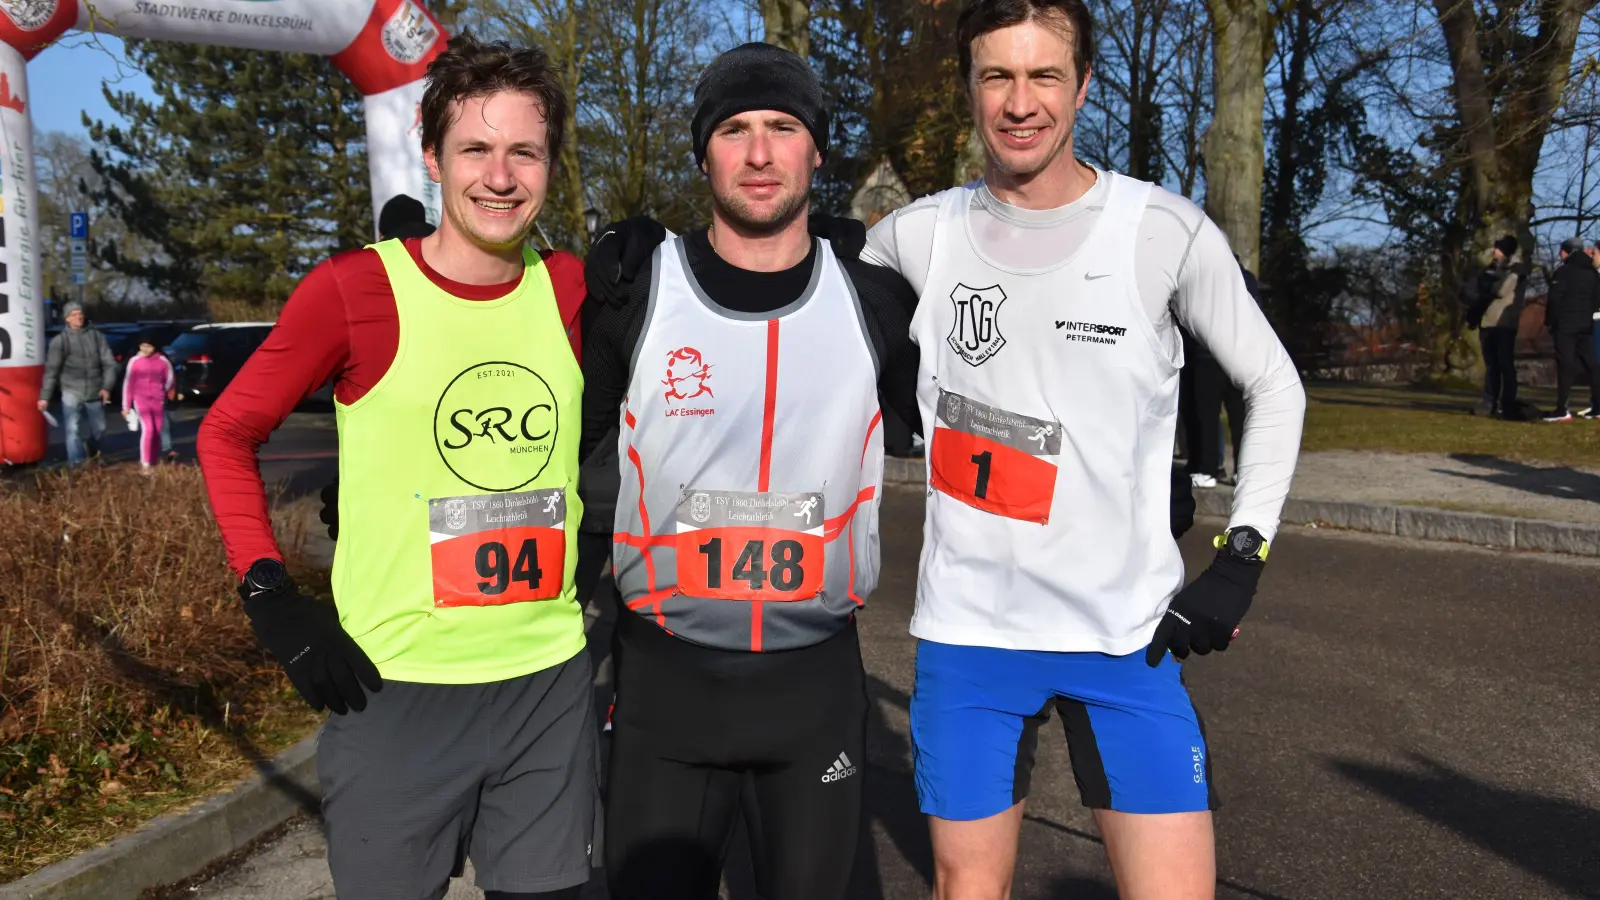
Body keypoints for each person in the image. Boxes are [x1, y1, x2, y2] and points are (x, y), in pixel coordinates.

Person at [859, 0, 1306, 896]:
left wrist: (1242, 556)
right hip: (971, 637)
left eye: (1043, 76)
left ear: (1083, 86)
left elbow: (1276, 386)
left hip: (1125, 640)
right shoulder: (916, 235)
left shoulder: (1162, 231)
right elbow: (808, 328)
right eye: (997, 76)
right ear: (970, 89)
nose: (1019, 102)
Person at [196, 35, 594, 900]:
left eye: (524, 151)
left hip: (547, 683)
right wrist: (270, 594)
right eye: (475, 149)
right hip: (398, 690)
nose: (500, 175)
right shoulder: (355, 291)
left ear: (552, 165)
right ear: (432, 156)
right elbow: (225, 432)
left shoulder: (572, 287)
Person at [580, 44, 921, 900]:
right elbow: (570, 454)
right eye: (734, 130)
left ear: (816, 150)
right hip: (666, 689)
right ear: (704, 155)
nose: (760, 153)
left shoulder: (877, 296)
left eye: (782, 128)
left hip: (813, 695)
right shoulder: (631, 287)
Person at [37, 301, 118, 465]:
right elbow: (51, 371)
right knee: (73, 429)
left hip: (95, 389)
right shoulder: (59, 341)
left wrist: (106, 387)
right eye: (73, 314)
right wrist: (44, 396)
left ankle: (91, 447)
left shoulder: (96, 337)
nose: (78, 316)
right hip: (71, 390)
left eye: (80, 313)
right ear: (67, 319)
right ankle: (77, 465)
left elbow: (110, 364)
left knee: (100, 429)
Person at [1540, 236, 1599, 421]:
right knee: (1593, 365)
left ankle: (1562, 409)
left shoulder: (1563, 272)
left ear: (1567, 252)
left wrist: (1550, 322)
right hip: (1587, 325)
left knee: (1566, 365)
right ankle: (1598, 407)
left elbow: (1555, 300)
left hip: (1565, 325)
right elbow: (1597, 299)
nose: (1560, 254)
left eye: (1562, 251)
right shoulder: (1593, 273)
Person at [1471, 235, 1523, 420]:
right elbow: (1481, 284)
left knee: (1505, 364)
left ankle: (1507, 403)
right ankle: (1489, 401)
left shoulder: (1516, 270)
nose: (1494, 251)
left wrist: (1490, 284)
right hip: (1488, 321)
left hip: (1504, 322)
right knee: (1491, 365)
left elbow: (1501, 290)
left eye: (1498, 248)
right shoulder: (1495, 266)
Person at [121, 332, 176, 471]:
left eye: (148, 346)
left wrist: (163, 390)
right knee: (148, 429)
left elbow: (170, 379)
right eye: (143, 346)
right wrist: (126, 405)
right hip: (140, 400)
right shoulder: (134, 361)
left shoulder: (163, 361)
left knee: (157, 431)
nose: (145, 349)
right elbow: (128, 384)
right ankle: (145, 463)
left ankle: (153, 459)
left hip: (158, 400)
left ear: (155, 347)